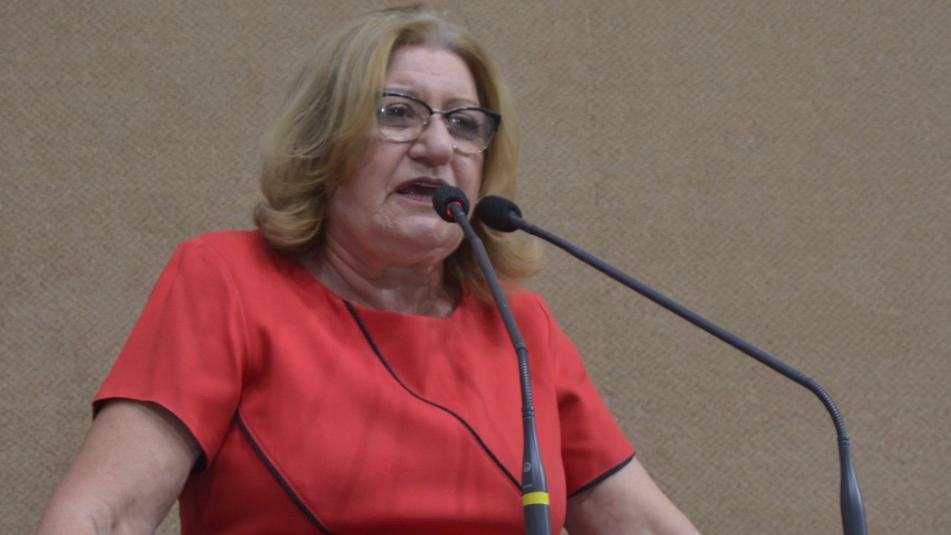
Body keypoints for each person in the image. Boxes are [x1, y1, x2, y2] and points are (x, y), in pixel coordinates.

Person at [36, 5, 700, 534]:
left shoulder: (520, 327)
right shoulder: (228, 280)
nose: (437, 146)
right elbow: (102, 517)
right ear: (324, 144)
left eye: (463, 124)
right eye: (397, 113)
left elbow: (644, 525)